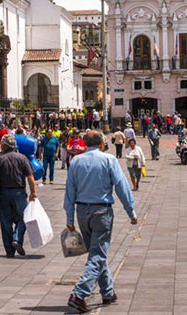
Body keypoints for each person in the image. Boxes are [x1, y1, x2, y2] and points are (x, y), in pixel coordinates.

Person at [64, 130, 137, 313]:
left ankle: (107, 291)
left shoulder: (76, 161)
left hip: (82, 211)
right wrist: (131, 211)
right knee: (98, 254)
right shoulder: (109, 160)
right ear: (101, 143)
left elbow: (69, 191)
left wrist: (69, 218)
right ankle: (79, 294)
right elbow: (121, 186)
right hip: (101, 211)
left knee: (97, 253)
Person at [0, 134, 37, 258]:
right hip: (19, 192)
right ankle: (17, 239)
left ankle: (9, 250)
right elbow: (30, 177)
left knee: (5, 221)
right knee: (23, 218)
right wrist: (33, 192)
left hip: (3, 192)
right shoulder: (22, 158)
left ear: (3, 145)